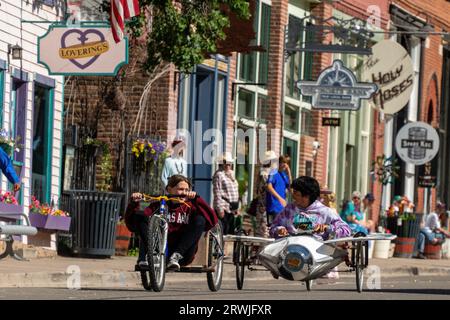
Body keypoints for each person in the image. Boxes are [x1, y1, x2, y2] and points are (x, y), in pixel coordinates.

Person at [125, 175, 218, 270]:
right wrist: (134, 203)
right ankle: (151, 253)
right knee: (141, 215)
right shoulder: (160, 204)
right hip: (160, 251)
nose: (184, 193)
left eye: (187, 190)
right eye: (181, 189)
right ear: (169, 189)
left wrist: (197, 199)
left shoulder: (191, 206)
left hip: (183, 254)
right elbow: (132, 224)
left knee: (200, 219)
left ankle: (176, 255)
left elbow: (213, 221)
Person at [270, 176, 351, 240]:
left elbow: (346, 230)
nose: (293, 196)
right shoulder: (288, 210)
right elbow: (273, 228)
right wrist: (279, 230)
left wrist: (328, 228)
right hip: (291, 252)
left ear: (306, 196)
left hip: (315, 254)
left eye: (296, 193)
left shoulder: (325, 212)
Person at [252, 150, 278, 238]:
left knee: (265, 228)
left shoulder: (271, 172)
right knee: (264, 230)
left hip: (268, 204)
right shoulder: (265, 172)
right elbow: (266, 188)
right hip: (264, 204)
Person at [212, 152, 240, 235]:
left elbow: (235, 190)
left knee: (231, 232)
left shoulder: (232, 174)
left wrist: (236, 208)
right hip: (224, 207)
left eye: (229, 163)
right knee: (223, 231)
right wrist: (220, 209)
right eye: (225, 163)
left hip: (232, 207)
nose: (228, 165)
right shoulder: (219, 175)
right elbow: (217, 192)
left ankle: (228, 248)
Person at [266, 155, 291, 225]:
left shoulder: (283, 175)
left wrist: (289, 173)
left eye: (287, 163)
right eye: (283, 162)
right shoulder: (273, 172)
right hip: (273, 207)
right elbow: (269, 186)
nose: (285, 165)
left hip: (281, 208)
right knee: (272, 228)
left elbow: (290, 189)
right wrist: (279, 198)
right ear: (279, 163)